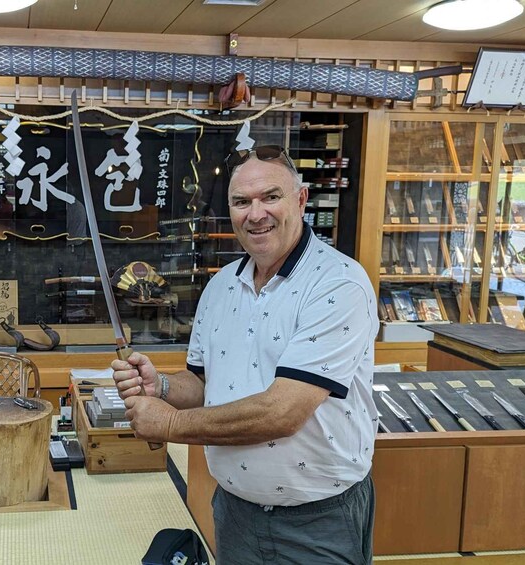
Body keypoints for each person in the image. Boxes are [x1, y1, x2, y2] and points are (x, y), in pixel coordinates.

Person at [112, 146, 379, 564]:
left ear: (301, 200)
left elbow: (282, 412)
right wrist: (161, 386)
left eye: (270, 197)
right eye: (241, 202)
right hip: (234, 511)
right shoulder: (220, 287)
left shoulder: (338, 283)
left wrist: (170, 423)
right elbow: (202, 385)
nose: (255, 214)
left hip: (317, 522)